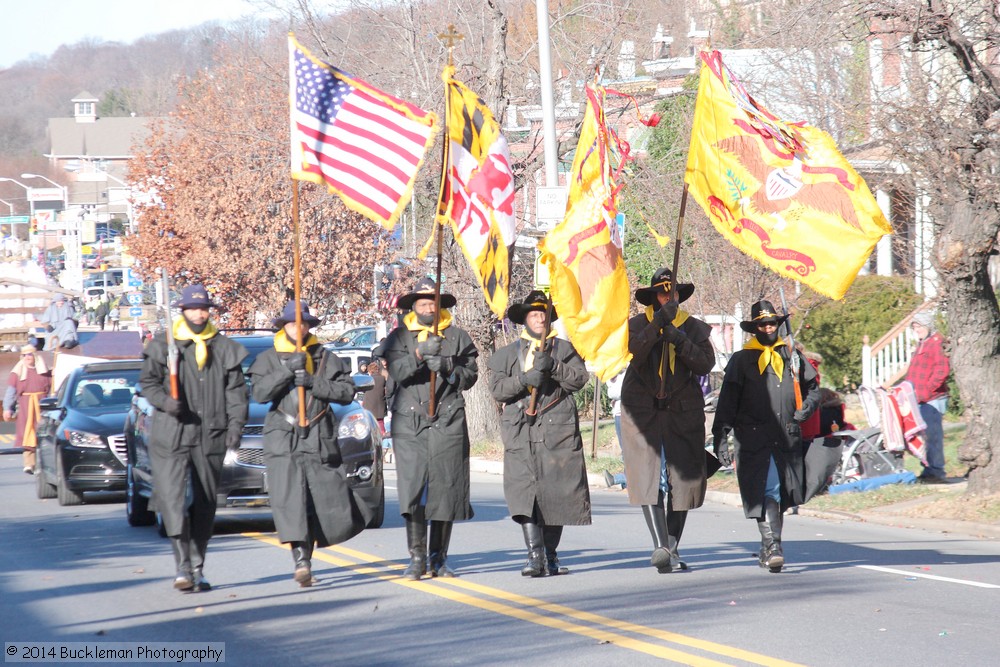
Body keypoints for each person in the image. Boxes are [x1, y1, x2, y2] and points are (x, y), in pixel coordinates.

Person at [249, 302, 370, 587]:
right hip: (283, 435)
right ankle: (301, 561)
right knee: (291, 500)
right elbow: (260, 394)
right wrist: (286, 372)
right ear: (284, 326)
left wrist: (314, 382)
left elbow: (346, 393)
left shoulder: (326, 357)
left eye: (303, 324)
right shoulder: (268, 358)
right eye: (293, 324)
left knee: (322, 498)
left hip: (319, 434)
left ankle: (313, 551)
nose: (298, 328)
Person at [139, 285, 249, 592]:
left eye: (204, 309)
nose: (199, 314)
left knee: (204, 504)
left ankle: (198, 566)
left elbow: (237, 395)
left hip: (210, 435)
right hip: (171, 434)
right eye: (192, 308)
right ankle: (182, 567)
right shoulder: (162, 345)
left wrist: (235, 428)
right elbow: (147, 383)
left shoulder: (224, 347)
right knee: (174, 501)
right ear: (182, 311)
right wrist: (164, 401)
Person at [711, 300, 821, 573]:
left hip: (786, 436)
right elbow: (727, 402)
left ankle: (767, 546)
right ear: (755, 328)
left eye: (772, 322)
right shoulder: (741, 359)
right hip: (752, 438)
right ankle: (774, 546)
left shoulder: (792, 355)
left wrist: (807, 407)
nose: (768, 327)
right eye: (762, 323)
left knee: (779, 494)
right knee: (765, 489)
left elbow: (813, 389)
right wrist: (721, 436)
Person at [487, 290, 591, 577]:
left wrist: (554, 367)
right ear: (525, 320)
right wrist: (525, 379)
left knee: (556, 492)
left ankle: (551, 555)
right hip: (520, 431)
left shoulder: (565, 350)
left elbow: (579, 380)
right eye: (534, 314)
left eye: (543, 314)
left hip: (558, 432)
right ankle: (535, 556)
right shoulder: (505, 355)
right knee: (525, 493)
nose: (539, 319)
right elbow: (497, 390)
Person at [382, 277, 479, 580]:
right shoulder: (399, 338)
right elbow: (396, 371)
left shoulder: (459, 337)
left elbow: (470, 377)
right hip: (409, 422)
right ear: (413, 306)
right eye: (423, 303)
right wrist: (420, 354)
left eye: (432, 302)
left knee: (445, 490)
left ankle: (439, 558)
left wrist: (448, 365)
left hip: (448, 420)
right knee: (413, 492)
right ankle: (416, 558)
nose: (428, 307)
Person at [620, 268, 716, 573]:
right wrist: (658, 325)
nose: (668, 298)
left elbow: (704, 364)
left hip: (681, 410)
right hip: (643, 410)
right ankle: (660, 546)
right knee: (649, 478)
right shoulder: (636, 325)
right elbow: (635, 353)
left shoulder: (694, 327)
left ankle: (672, 548)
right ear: (654, 297)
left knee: (683, 481)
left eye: (672, 293)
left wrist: (678, 338)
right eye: (663, 293)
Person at [905, 309, 950, 483]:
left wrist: (925, 391)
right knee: (925, 437)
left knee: (933, 436)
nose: (917, 329)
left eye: (920, 326)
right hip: (919, 399)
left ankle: (937, 472)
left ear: (928, 325)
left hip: (932, 399)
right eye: (915, 326)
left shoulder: (937, 342)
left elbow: (941, 371)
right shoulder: (922, 342)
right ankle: (928, 470)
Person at [3, 344, 52, 473]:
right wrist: (7, 408)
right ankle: (29, 463)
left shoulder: (45, 372)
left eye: (29, 355)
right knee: (27, 433)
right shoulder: (17, 373)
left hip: (42, 407)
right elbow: (11, 392)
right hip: (26, 407)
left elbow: (53, 391)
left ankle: (42, 464)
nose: (27, 357)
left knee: (43, 434)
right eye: (24, 355)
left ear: (35, 356)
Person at [603, 367, 627, 489]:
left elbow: (618, 392)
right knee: (626, 451)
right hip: (619, 413)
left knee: (630, 451)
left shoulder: (625, 366)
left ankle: (621, 479)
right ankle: (625, 481)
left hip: (628, 414)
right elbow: (613, 392)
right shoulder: (612, 372)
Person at [362, 359, 388, 436]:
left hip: (369, 405)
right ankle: (383, 438)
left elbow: (363, 390)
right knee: (380, 422)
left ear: (370, 371)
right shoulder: (382, 379)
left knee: (369, 422)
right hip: (380, 405)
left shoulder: (367, 379)